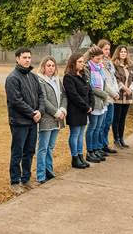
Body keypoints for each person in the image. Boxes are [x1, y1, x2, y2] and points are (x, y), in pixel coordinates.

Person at [5, 48, 45, 195]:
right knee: (18, 152)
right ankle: (15, 181)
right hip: (19, 122)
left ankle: (26, 179)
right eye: (24, 57)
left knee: (29, 151)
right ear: (17, 59)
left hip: (33, 121)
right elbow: (16, 101)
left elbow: (41, 95)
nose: (27, 60)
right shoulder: (12, 78)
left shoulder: (33, 77)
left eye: (29, 57)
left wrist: (40, 110)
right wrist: (32, 113)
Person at [36, 56, 67, 184]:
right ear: (43, 67)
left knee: (51, 147)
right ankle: (41, 175)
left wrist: (63, 109)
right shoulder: (40, 80)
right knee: (43, 148)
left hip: (58, 118)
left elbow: (64, 96)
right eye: (48, 65)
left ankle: (49, 171)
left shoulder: (57, 80)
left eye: (53, 65)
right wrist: (56, 112)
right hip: (47, 119)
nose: (51, 68)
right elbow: (43, 100)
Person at [63, 53, 94, 169]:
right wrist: (86, 107)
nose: (83, 64)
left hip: (85, 110)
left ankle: (81, 156)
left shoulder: (83, 75)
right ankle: (75, 158)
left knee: (81, 134)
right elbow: (74, 96)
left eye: (83, 62)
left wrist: (91, 105)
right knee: (75, 134)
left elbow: (90, 91)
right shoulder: (68, 77)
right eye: (80, 62)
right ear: (73, 63)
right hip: (75, 110)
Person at [84, 46, 109, 163]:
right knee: (92, 127)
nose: (100, 61)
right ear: (92, 57)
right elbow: (91, 87)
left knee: (99, 127)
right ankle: (90, 151)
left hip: (102, 101)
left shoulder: (100, 67)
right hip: (95, 100)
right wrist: (104, 95)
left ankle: (96, 148)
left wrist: (105, 96)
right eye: (98, 59)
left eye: (101, 59)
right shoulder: (87, 68)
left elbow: (104, 83)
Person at [111, 46, 133, 149]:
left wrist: (130, 89)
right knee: (116, 119)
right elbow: (115, 80)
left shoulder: (130, 65)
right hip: (119, 96)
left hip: (128, 96)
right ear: (118, 53)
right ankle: (116, 139)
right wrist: (124, 88)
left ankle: (121, 139)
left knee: (123, 119)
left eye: (125, 52)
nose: (123, 53)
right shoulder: (114, 65)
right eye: (121, 51)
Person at [97, 39, 119, 155]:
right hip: (105, 96)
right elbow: (104, 83)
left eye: (109, 49)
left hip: (112, 97)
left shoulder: (110, 62)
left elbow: (113, 78)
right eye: (105, 49)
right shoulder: (99, 64)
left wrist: (116, 91)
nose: (107, 51)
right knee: (102, 123)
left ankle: (105, 144)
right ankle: (99, 145)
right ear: (100, 49)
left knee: (108, 122)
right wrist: (112, 93)